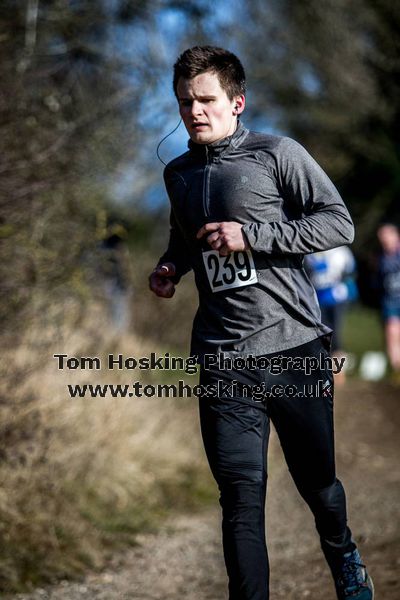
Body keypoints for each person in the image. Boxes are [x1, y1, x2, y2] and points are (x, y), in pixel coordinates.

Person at [149, 46, 373, 600]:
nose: (194, 112)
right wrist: (171, 266)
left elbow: (337, 223)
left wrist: (253, 235)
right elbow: (185, 236)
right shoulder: (176, 174)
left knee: (318, 486)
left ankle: (342, 552)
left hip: (293, 346)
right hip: (224, 356)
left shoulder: (278, 155)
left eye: (205, 100)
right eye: (184, 102)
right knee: (241, 499)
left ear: (237, 102)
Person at [304, 246, 358, 384]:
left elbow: (351, 272)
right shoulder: (310, 252)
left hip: (337, 299)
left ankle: (339, 373)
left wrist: (343, 284)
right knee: (324, 336)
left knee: (336, 335)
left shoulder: (342, 251)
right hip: (319, 300)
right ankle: (326, 372)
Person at [377, 223, 400, 375]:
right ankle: (397, 370)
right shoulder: (382, 257)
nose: (384, 240)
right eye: (382, 238)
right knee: (392, 333)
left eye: (387, 236)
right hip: (390, 300)